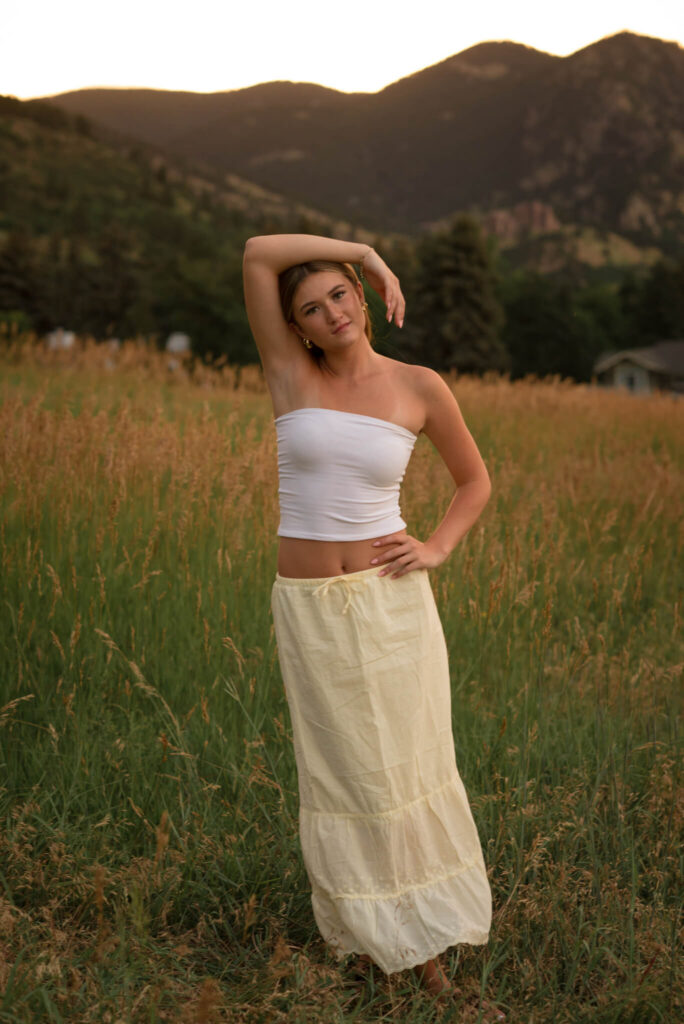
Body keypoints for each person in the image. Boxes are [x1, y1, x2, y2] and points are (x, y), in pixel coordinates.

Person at [242, 234, 497, 1008]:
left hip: (392, 606)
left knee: (406, 767)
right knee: (345, 772)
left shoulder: (419, 385)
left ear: (361, 298)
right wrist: (366, 250)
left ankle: (424, 951)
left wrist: (439, 546)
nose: (330, 314)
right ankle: (370, 939)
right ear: (299, 329)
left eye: (341, 293)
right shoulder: (291, 375)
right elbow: (257, 252)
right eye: (310, 309)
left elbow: (474, 480)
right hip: (312, 612)